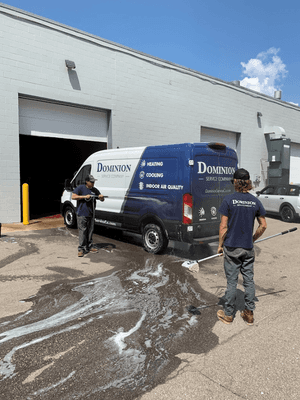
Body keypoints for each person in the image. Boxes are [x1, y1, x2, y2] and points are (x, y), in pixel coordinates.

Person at [216, 168, 267, 325]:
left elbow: (223, 227)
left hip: (231, 247)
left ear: (236, 183)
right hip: (247, 248)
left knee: (232, 282)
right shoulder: (255, 201)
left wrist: (220, 246)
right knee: (249, 280)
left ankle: (229, 315)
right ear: (249, 183)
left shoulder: (228, 200)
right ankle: (249, 314)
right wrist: (252, 239)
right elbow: (263, 225)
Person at [72, 174, 104, 257]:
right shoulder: (80, 188)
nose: (93, 183)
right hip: (82, 213)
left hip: (91, 214)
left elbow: (101, 199)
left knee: (90, 231)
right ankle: (81, 249)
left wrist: (101, 197)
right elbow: (73, 197)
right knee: (83, 231)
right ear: (87, 181)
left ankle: (89, 246)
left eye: (94, 182)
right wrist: (84, 197)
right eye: (91, 182)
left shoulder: (94, 190)